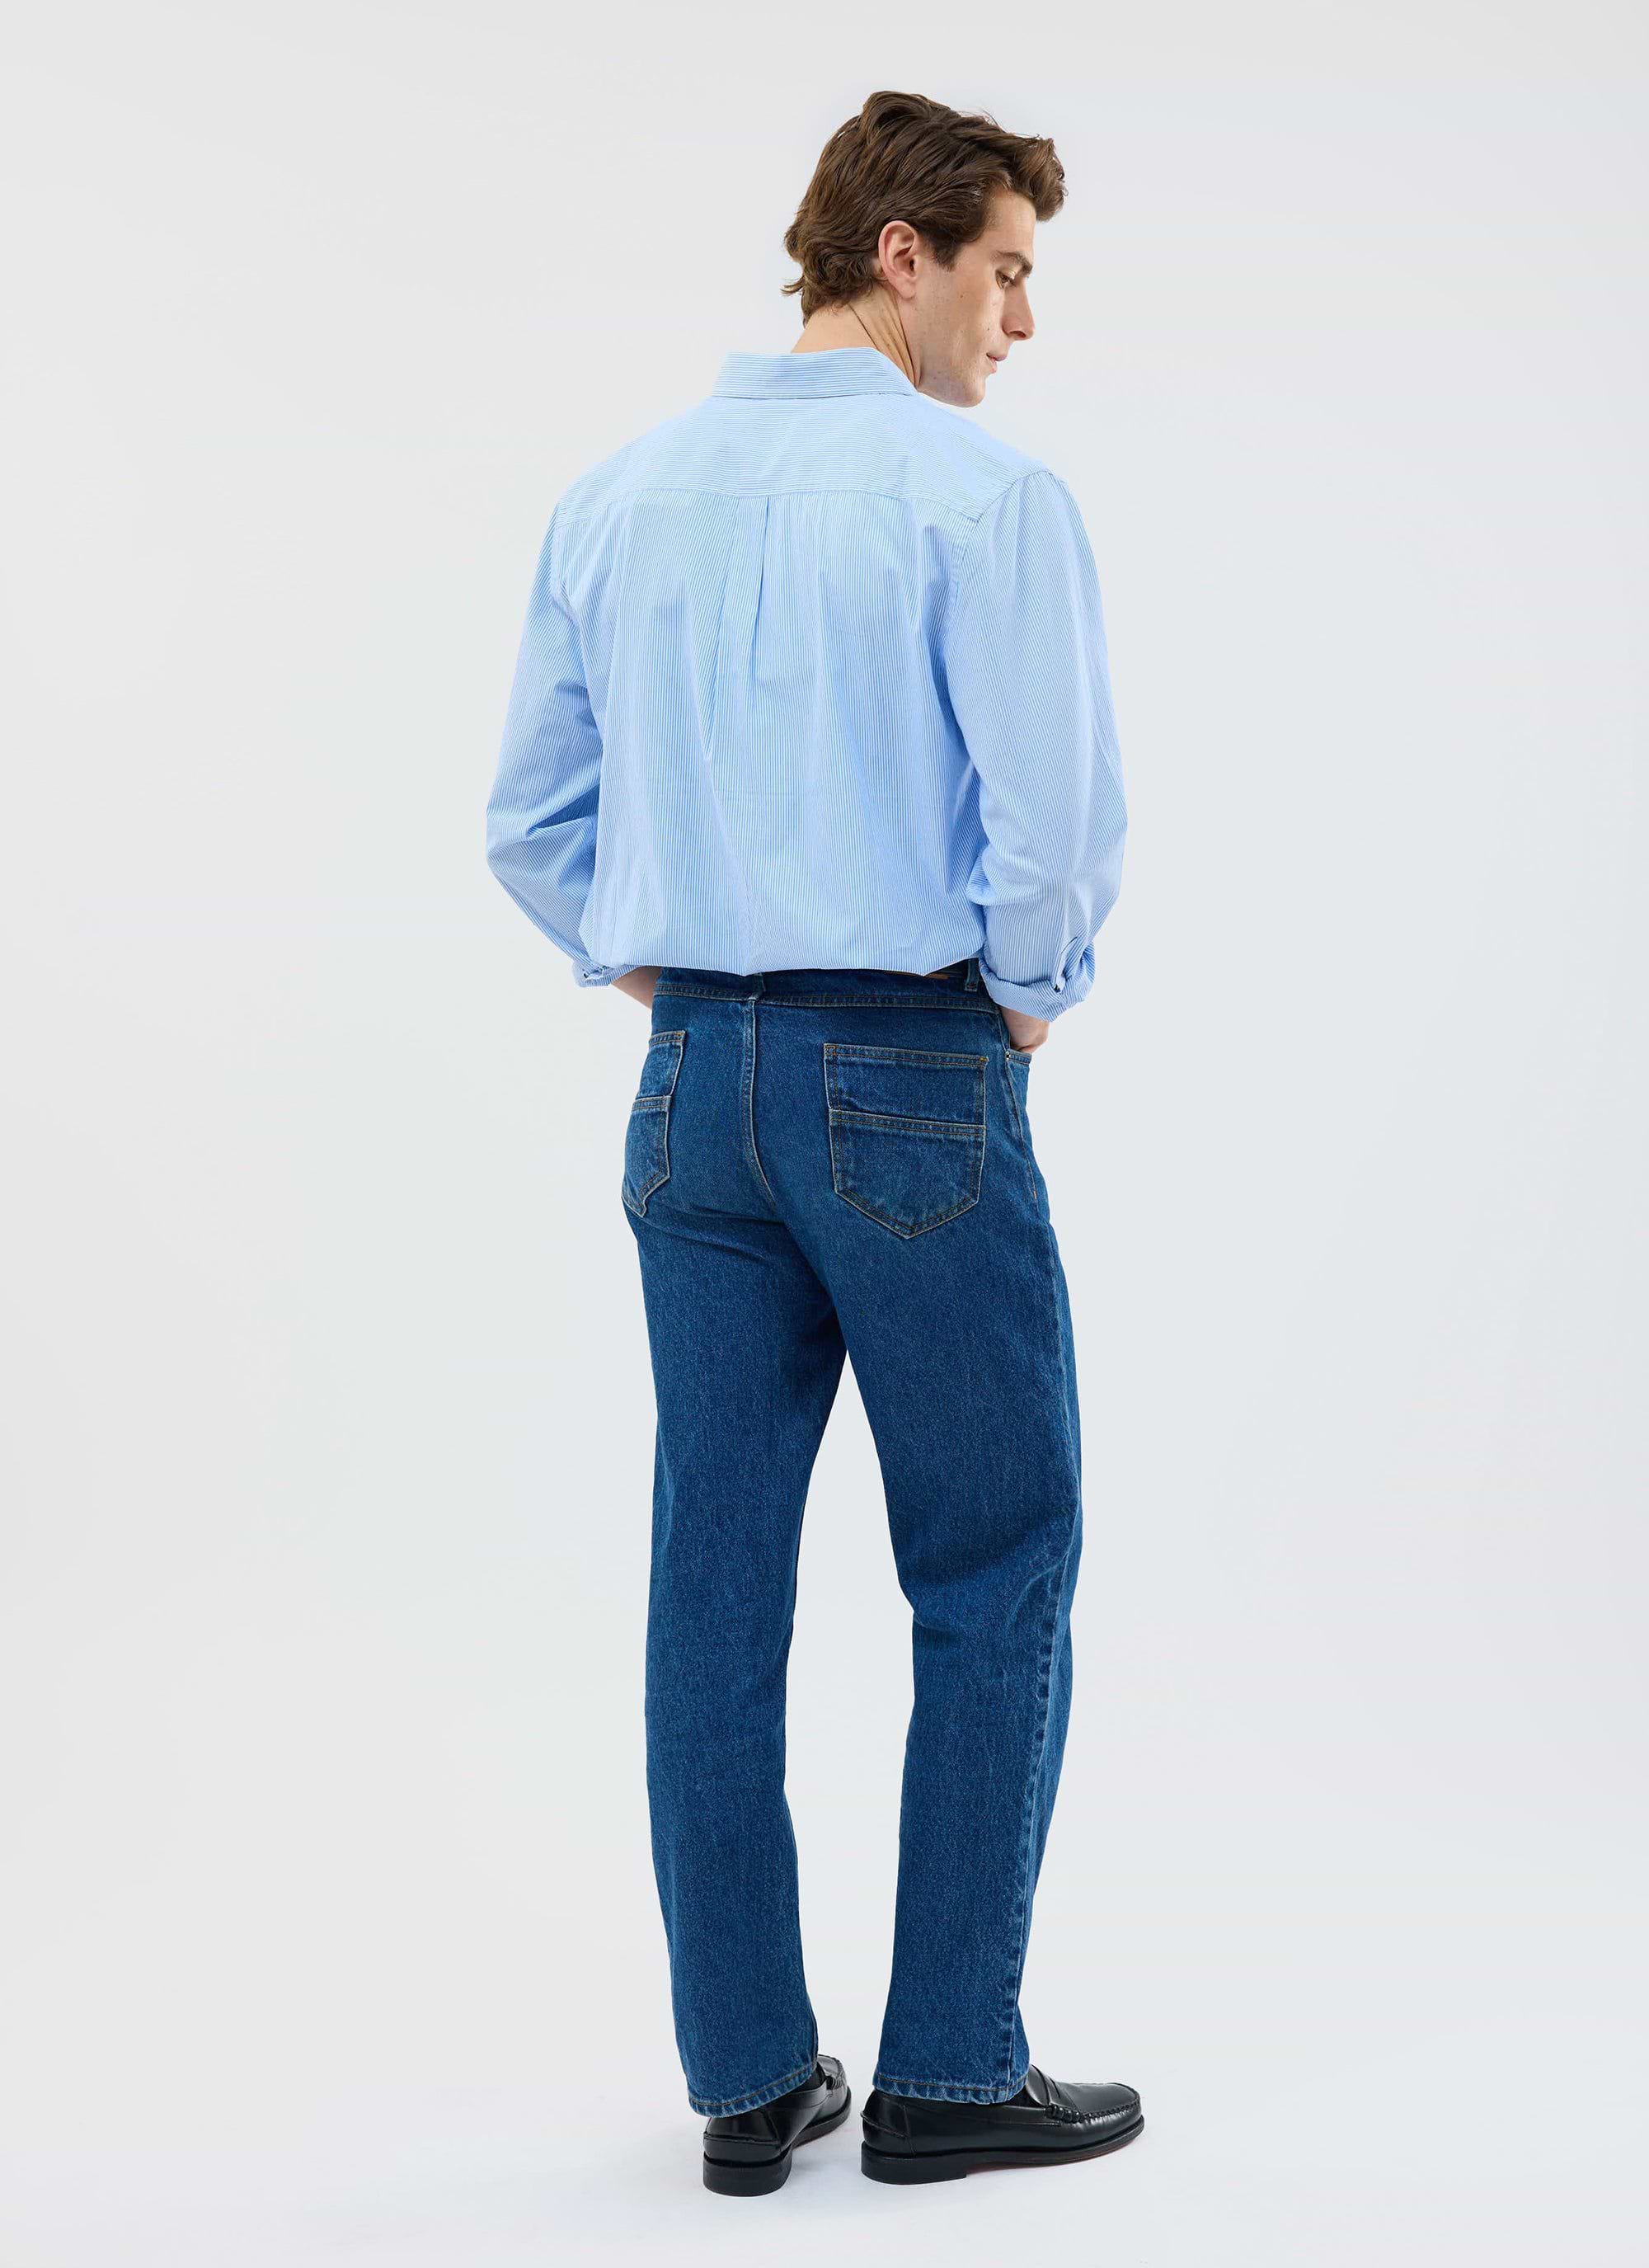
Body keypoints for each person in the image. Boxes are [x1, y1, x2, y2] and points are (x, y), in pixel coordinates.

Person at [485, 87, 1139, 2194]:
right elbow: (1051, 836)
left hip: (692, 1103)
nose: (1021, 321)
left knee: (713, 1586)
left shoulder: (614, 497)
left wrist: (669, 979)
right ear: (902, 252)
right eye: (1010, 268)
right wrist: (1013, 1003)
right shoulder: (976, 498)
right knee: (992, 1556)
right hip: (910, 1073)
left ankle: (752, 2081)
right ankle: (949, 2065)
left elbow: (528, 825)